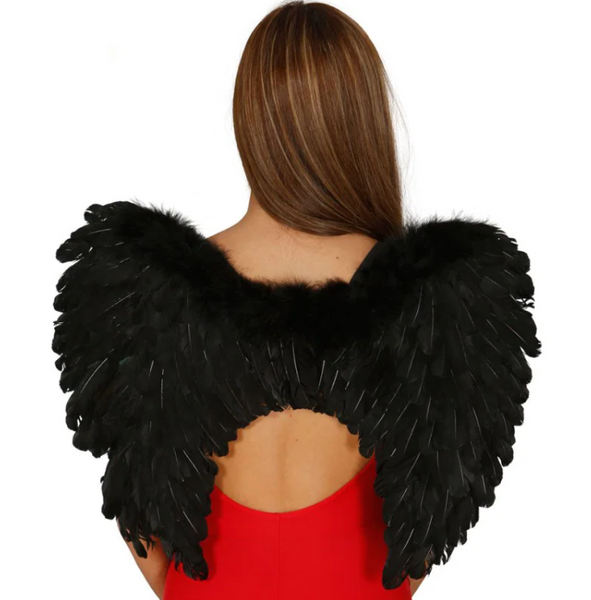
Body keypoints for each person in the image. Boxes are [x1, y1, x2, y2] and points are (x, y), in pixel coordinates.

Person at [51, 2, 541, 599]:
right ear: (362, 122)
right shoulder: (431, 299)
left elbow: (148, 536)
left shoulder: (150, 289)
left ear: (250, 119)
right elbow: (424, 529)